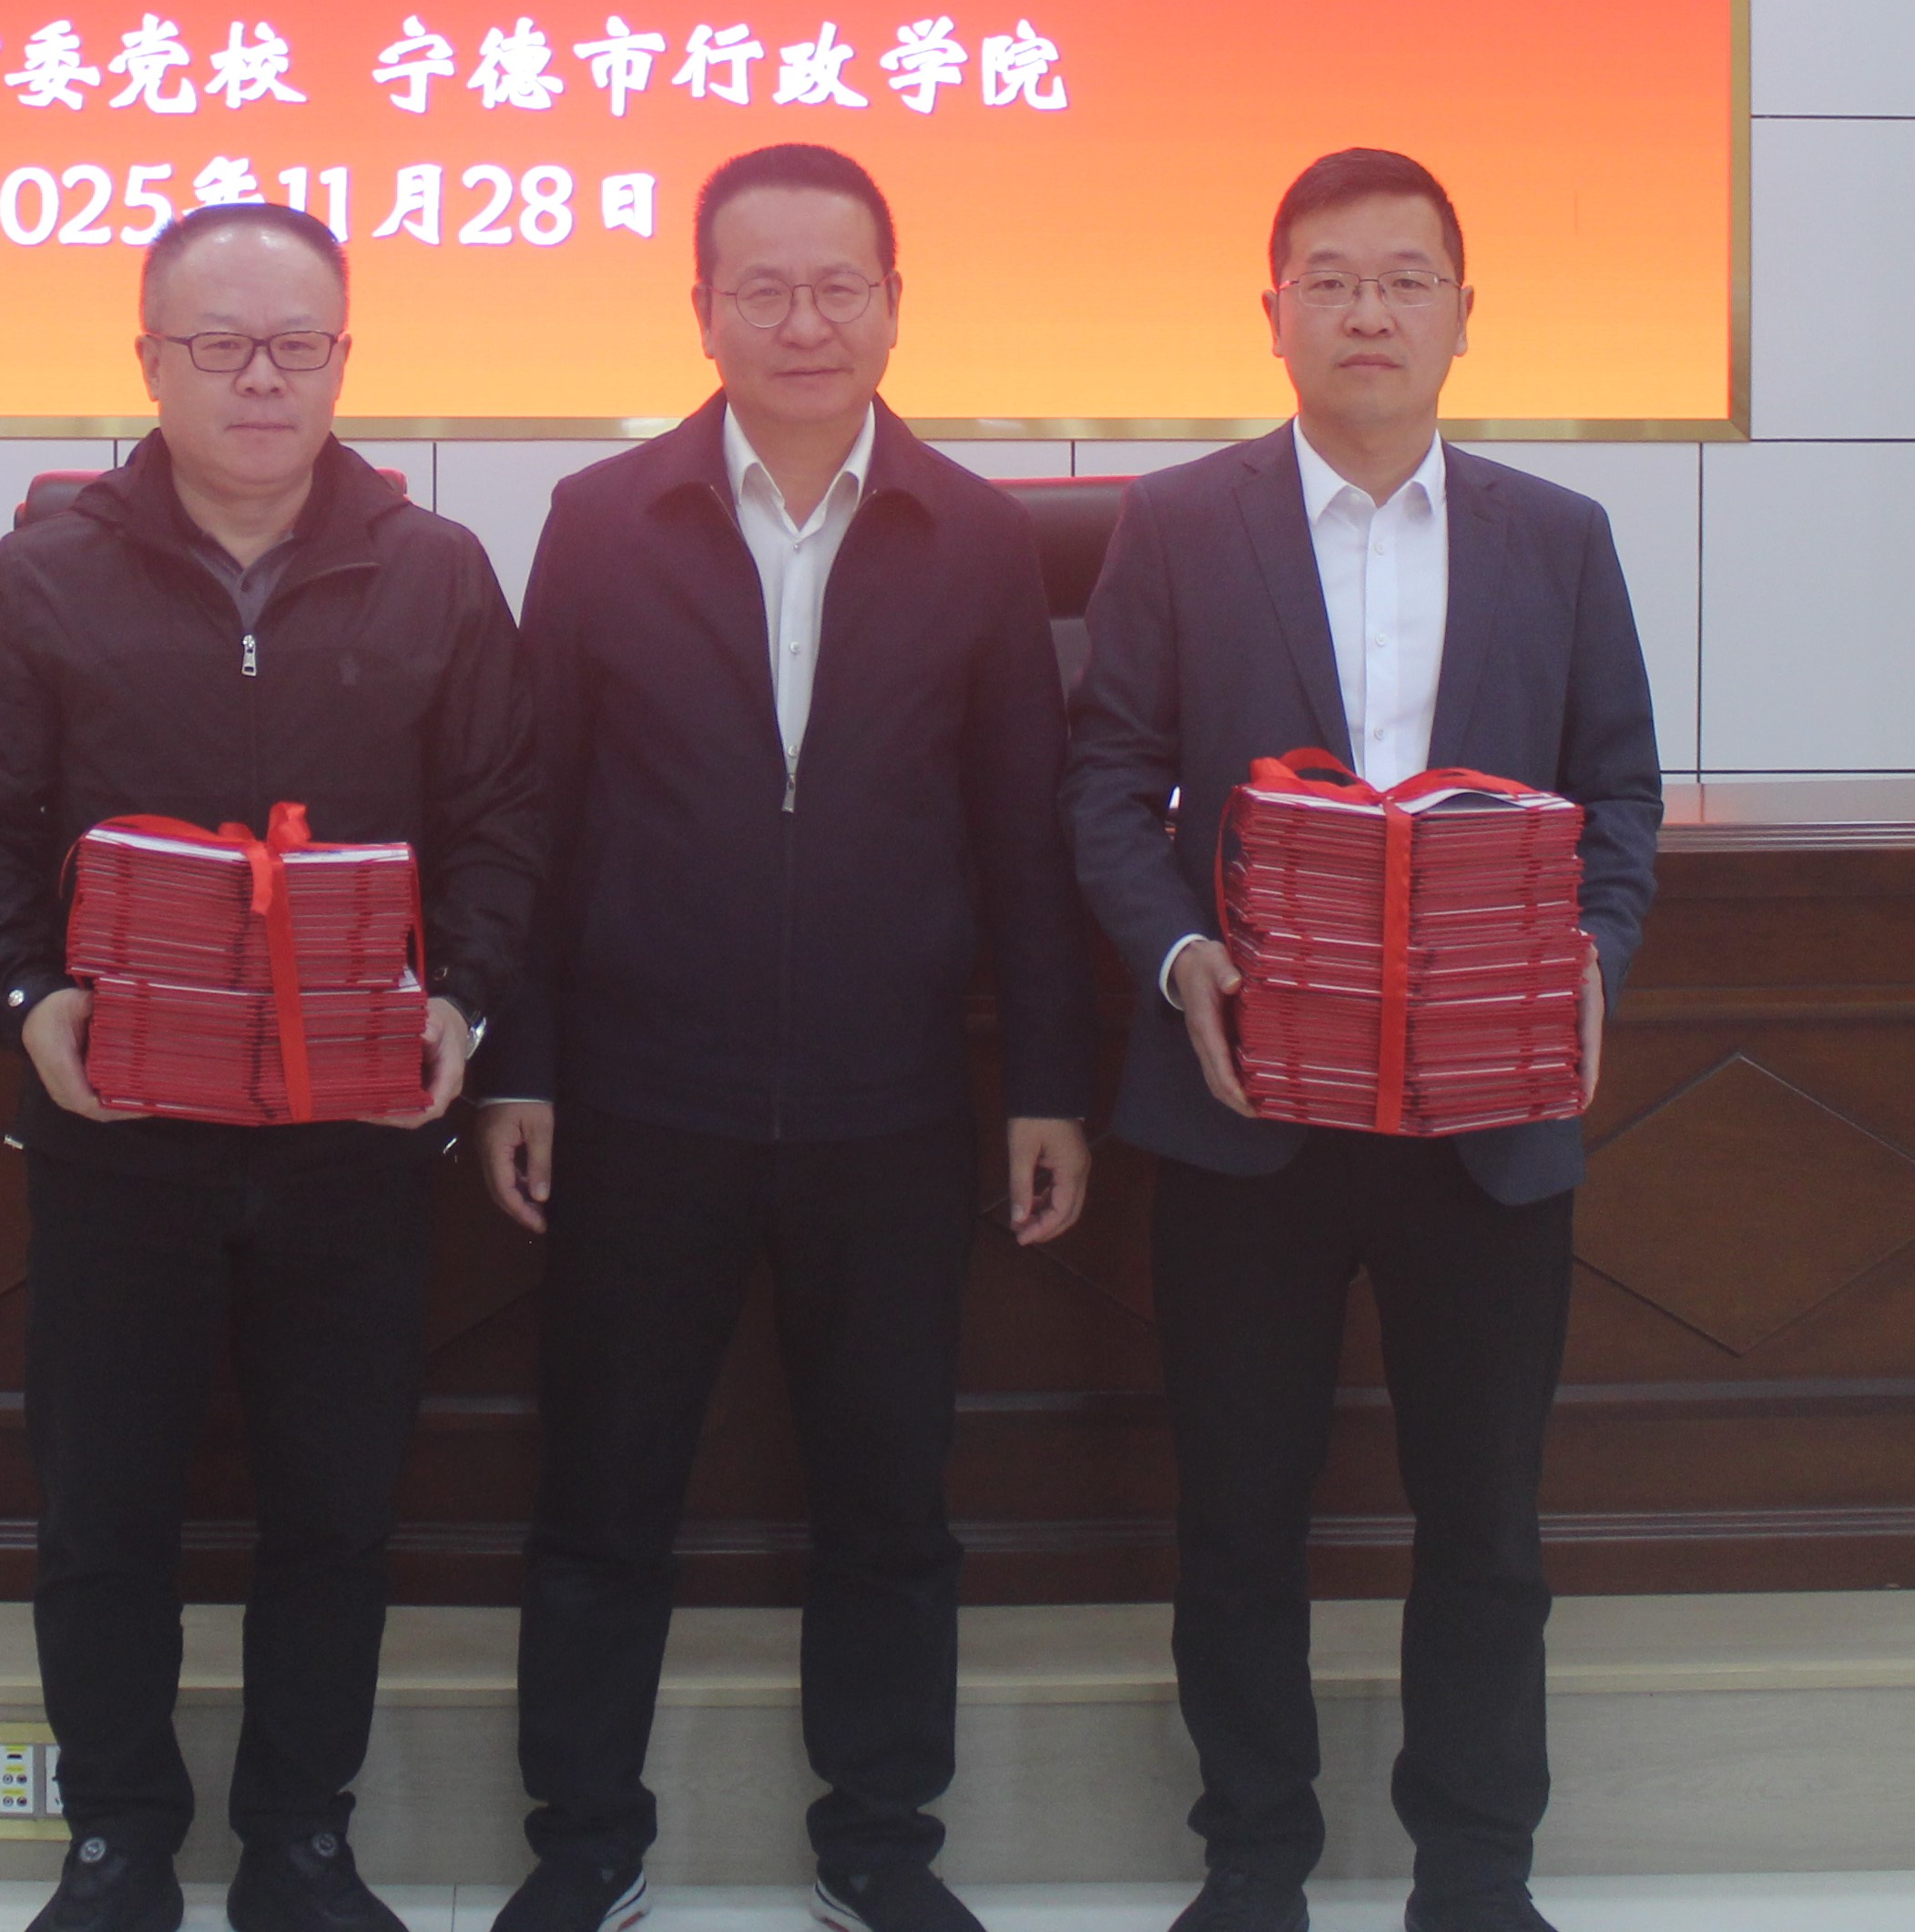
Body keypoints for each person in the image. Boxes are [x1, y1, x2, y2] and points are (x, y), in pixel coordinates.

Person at [474, 142, 1102, 1932]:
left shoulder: (978, 537)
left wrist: (1048, 1084)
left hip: (888, 1104)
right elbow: (535, 814)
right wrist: (521, 1062)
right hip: (639, 1098)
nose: (805, 322)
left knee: (889, 1500)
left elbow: (1024, 834)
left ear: (894, 306)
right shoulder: (603, 520)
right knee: (602, 1493)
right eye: (764, 288)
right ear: (704, 311)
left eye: (839, 287)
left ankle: (880, 1846)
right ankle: (583, 1843)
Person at [0, 201, 548, 1932]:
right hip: (119, 1133)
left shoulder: (436, 573)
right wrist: (23, 999)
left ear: (345, 358)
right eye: (220, 345)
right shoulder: (47, 573)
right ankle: (117, 1841)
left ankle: (301, 1843)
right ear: (151, 362)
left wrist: (463, 1002)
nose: (261, 379)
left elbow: (504, 822)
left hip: (355, 1140)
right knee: (103, 1508)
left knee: (336, 1511)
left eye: (297, 346)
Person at [1063, 147, 1661, 1932]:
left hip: (1489, 1110)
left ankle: (1476, 1872)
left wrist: (1590, 957)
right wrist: (1181, 957)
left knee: (1484, 1523)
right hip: (1247, 1101)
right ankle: (1253, 1863)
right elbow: (1106, 782)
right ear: (1274, 316)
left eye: (1406, 279)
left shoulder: (1560, 538)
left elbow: (1620, 795)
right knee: (1240, 1518)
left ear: (1466, 315)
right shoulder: (1180, 526)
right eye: (1329, 280)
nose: (1368, 312)